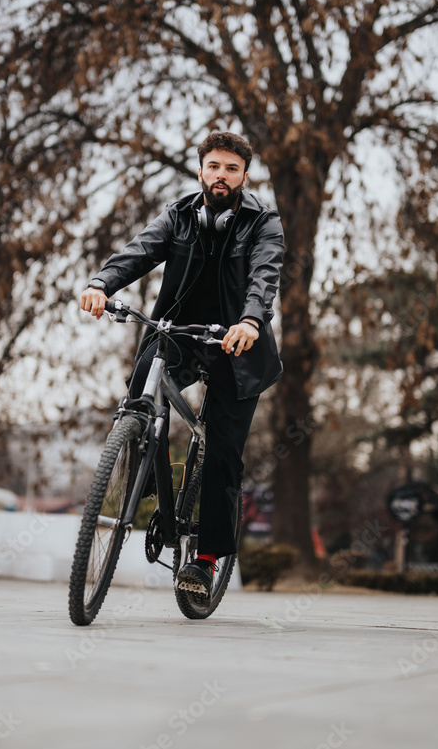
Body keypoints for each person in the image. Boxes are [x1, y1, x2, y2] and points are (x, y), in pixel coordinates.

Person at [80, 131, 285, 597]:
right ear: (201, 170)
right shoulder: (179, 215)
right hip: (180, 333)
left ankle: (207, 560)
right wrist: (101, 283)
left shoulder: (263, 223)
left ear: (244, 177)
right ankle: (144, 476)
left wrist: (251, 320)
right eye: (214, 166)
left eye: (231, 169)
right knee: (138, 395)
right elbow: (141, 250)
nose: (221, 175)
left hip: (238, 345)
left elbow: (265, 273)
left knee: (223, 453)